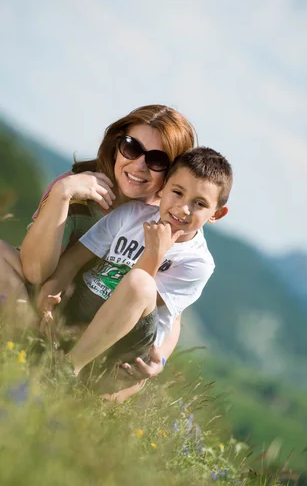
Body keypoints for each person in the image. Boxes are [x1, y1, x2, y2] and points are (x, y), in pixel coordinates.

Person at [0, 105, 196, 383]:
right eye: (131, 147)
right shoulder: (74, 187)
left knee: (128, 388)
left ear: (174, 172)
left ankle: (56, 367)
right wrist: (62, 194)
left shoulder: (165, 222)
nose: (139, 165)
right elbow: (34, 271)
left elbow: (173, 309)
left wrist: (160, 360)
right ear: (116, 145)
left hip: (104, 332)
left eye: (156, 160)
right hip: (55, 304)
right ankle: (33, 349)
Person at [38, 147, 233, 400]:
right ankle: (37, 343)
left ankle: (66, 369)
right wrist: (49, 293)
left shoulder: (197, 262)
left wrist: (154, 252)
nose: (183, 208)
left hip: (126, 337)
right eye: (177, 192)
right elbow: (74, 260)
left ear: (216, 213)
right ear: (162, 189)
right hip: (88, 300)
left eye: (199, 204)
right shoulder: (131, 215)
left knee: (141, 282)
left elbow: (135, 297)